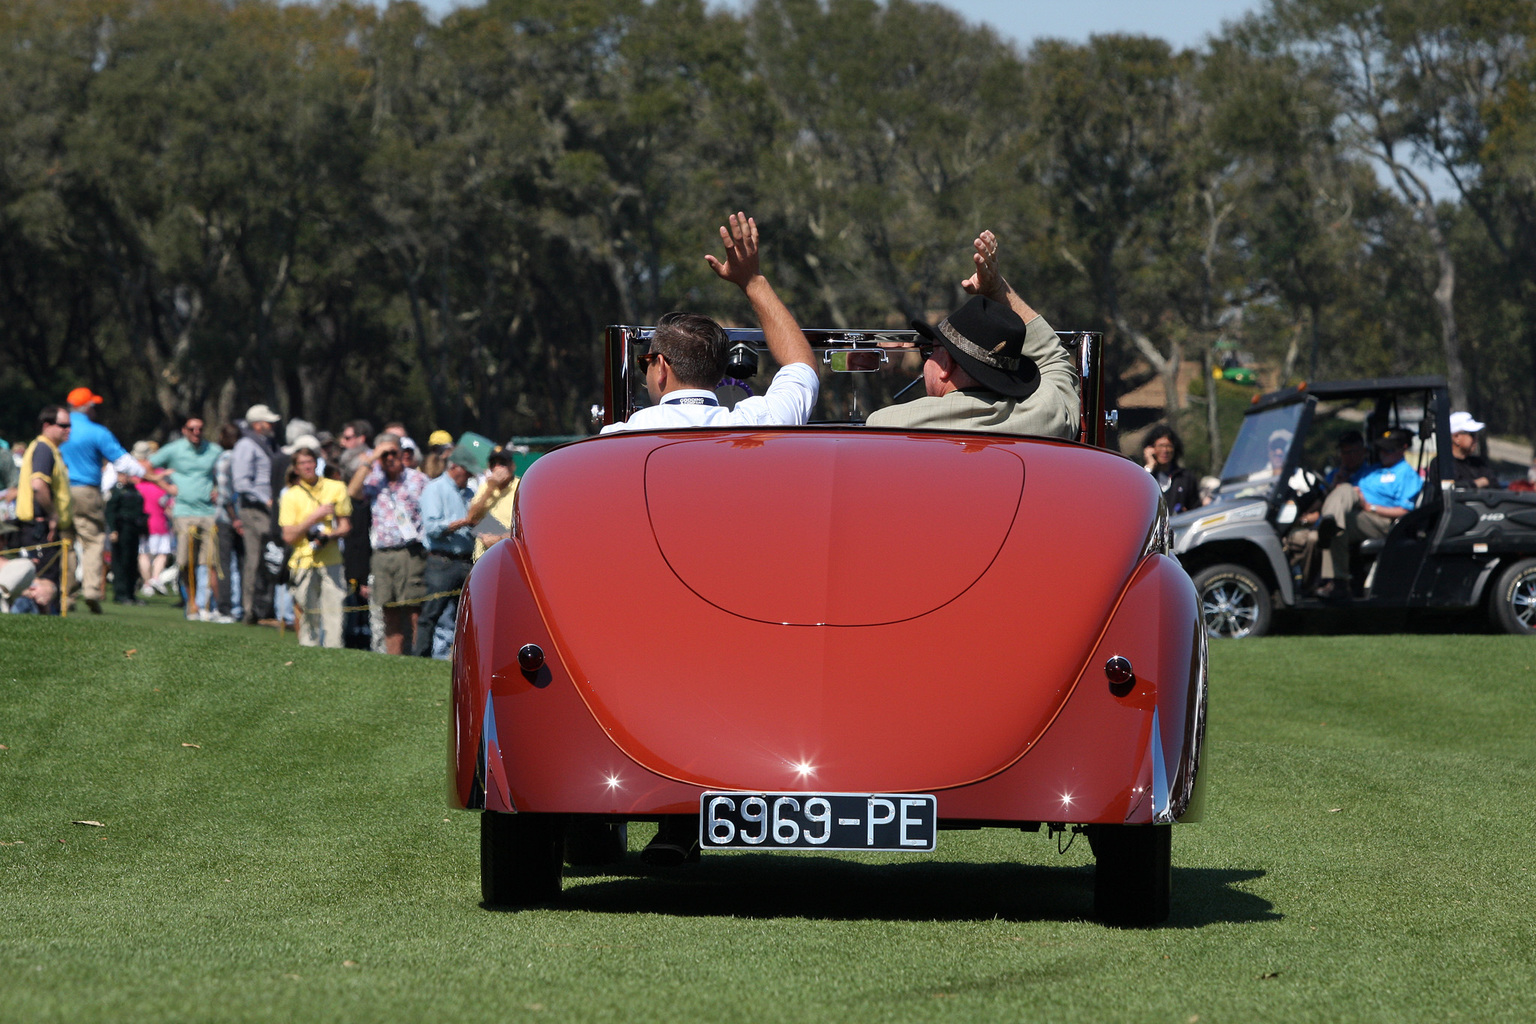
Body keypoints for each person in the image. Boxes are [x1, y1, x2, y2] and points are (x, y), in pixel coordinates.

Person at [602, 211, 818, 433]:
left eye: (646, 363)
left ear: (662, 367)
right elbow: (801, 366)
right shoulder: (762, 423)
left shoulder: (615, 439)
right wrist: (753, 281)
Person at [865, 230, 1079, 438]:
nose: (926, 360)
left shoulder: (886, 426)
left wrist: (995, 288)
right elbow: (1054, 361)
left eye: (929, 351)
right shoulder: (1047, 416)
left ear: (946, 365)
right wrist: (998, 288)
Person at [59, 386, 147, 614]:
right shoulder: (97, 431)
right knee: (93, 541)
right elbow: (124, 462)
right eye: (94, 406)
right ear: (87, 407)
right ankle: (90, 590)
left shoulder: (61, 429)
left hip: (62, 491)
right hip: (88, 491)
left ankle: (66, 595)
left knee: (66, 542)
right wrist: (151, 476)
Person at [1315, 431, 1423, 599]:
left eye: (1389, 450)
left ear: (1403, 449)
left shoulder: (1405, 473)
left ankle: (1339, 579)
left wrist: (1369, 507)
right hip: (1359, 513)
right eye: (1381, 450)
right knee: (1339, 517)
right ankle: (1338, 583)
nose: (1384, 454)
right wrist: (1339, 480)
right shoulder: (1375, 470)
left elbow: (1406, 511)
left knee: (1339, 519)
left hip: (1385, 521)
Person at [349, 434, 429, 655]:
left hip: (411, 552)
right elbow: (352, 491)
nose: (390, 458)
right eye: (386, 455)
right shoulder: (375, 480)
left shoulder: (417, 480)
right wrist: (373, 457)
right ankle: (395, 660)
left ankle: (418, 658)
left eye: (394, 453)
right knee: (389, 609)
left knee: (414, 608)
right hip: (383, 553)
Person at [150, 414, 226, 621]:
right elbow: (147, 466)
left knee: (210, 562)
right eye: (192, 429)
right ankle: (191, 604)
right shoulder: (174, 449)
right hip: (183, 512)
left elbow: (227, 472)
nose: (196, 433)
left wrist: (220, 488)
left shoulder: (214, 450)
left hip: (208, 513)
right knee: (185, 562)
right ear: (184, 430)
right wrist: (165, 486)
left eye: (200, 429)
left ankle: (212, 607)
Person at [279, 446, 352, 648]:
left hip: (332, 559)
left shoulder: (336, 487)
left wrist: (329, 535)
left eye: (310, 461)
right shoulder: (290, 496)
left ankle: (334, 652)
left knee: (334, 612)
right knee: (307, 612)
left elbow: (346, 526)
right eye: (302, 463)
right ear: (295, 469)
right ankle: (308, 651)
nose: (307, 466)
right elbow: (288, 536)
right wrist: (313, 518)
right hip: (303, 560)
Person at [414, 442, 482, 658]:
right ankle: (420, 658)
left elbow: (481, 525)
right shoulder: (435, 489)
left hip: (465, 560)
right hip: (441, 561)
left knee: (467, 616)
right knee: (431, 613)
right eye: (468, 472)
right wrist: (464, 521)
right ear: (456, 467)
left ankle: (463, 659)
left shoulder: (470, 492)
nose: (470, 476)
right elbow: (433, 528)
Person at [13, 405, 75, 612]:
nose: (68, 430)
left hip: (40, 527)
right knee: (43, 584)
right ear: (47, 425)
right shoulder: (43, 449)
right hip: (40, 527)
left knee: (43, 580)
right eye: (63, 425)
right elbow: (38, 484)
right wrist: (53, 515)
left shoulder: (49, 449)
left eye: (69, 426)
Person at [232, 404, 282, 624]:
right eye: (268, 421)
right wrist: (266, 500)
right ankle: (250, 610)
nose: (272, 425)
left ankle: (265, 608)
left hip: (269, 511)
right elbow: (241, 482)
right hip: (254, 510)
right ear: (257, 424)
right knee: (253, 559)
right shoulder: (245, 445)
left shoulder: (268, 444)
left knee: (269, 558)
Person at [133, 441, 175, 596]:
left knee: (144, 554)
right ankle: (155, 578)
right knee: (162, 553)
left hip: (143, 523)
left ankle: (147, 583)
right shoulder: (161, 485)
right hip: (159, 523)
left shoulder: (137, 484)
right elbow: (168, 505)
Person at [104, 470, 149, 604]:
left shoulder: (134, 490)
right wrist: (113, 530)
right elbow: (110, 511)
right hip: (121, 529)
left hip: (133, 529)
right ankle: (121, 593)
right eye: (123, 475)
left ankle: (130, 593)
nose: (126, 478)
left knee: (131, 561)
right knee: (120, 562)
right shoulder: (116, 491)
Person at [467, 446, 518, 561]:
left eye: (502, 463)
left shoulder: (520, 488)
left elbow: (526, 528)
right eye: (493, 464)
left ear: (512, 466)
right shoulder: (485, 487)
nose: (497, 468)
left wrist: (500, 539)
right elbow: (471, 517)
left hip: (509, 556)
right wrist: (490, 489)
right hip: (483, 558)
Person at [1141, 424, 1201, 514]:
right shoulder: (1146, 478)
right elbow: (1139, 496)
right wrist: (1149, 466)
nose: (1165, 450)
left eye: (1169, 446)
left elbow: (1196, 508)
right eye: (1160, 446)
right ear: (1151, 449)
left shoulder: (1185, 477)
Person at [1430, 411, 1493, 489]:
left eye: (1476, 435)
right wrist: (1477, 483)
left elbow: (1494, 485)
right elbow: (1448, 489)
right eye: (1472, 434)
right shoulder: (1441, 464)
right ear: (1456, 437)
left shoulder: (1479, 464)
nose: (1476, 439)